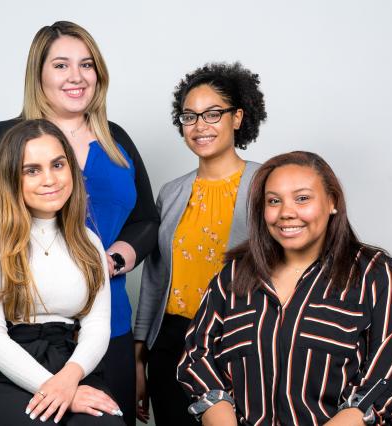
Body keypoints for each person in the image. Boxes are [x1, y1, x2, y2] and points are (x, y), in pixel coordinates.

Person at [0, 22, 158, 425]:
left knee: (107, 416)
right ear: (39, 74)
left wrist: (106, 260)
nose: (76, 76)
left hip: (105, 314)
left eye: (86, 64)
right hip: (21, 319)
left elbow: (146, 219)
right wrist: (41, 277)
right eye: (61, 65)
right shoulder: (0, 141)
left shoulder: (116, 141)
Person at [177, 151, 392, 426]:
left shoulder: (375, 275)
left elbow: (387, 382)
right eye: (274, 201)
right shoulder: (234, 277)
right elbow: (198, 356)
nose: (286, 212)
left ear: (332, 201)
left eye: (302, 198)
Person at [0, 119, 125, 425]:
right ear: (12, 177)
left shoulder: (88, 241)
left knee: (107, 423)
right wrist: (59, 391)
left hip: (68, 363)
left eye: (58, 165)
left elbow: (97, 328)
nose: (50, 179)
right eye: (32, 170)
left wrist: (69, 380)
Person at [134, 62, 267, 425]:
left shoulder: (266, 183)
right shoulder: (171, 192)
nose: (199, 126)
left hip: (241, 339)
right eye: (189, 116)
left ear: (237, 118)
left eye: (212, 114)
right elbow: (155, 277)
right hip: (173, 342)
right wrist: (140, 353)